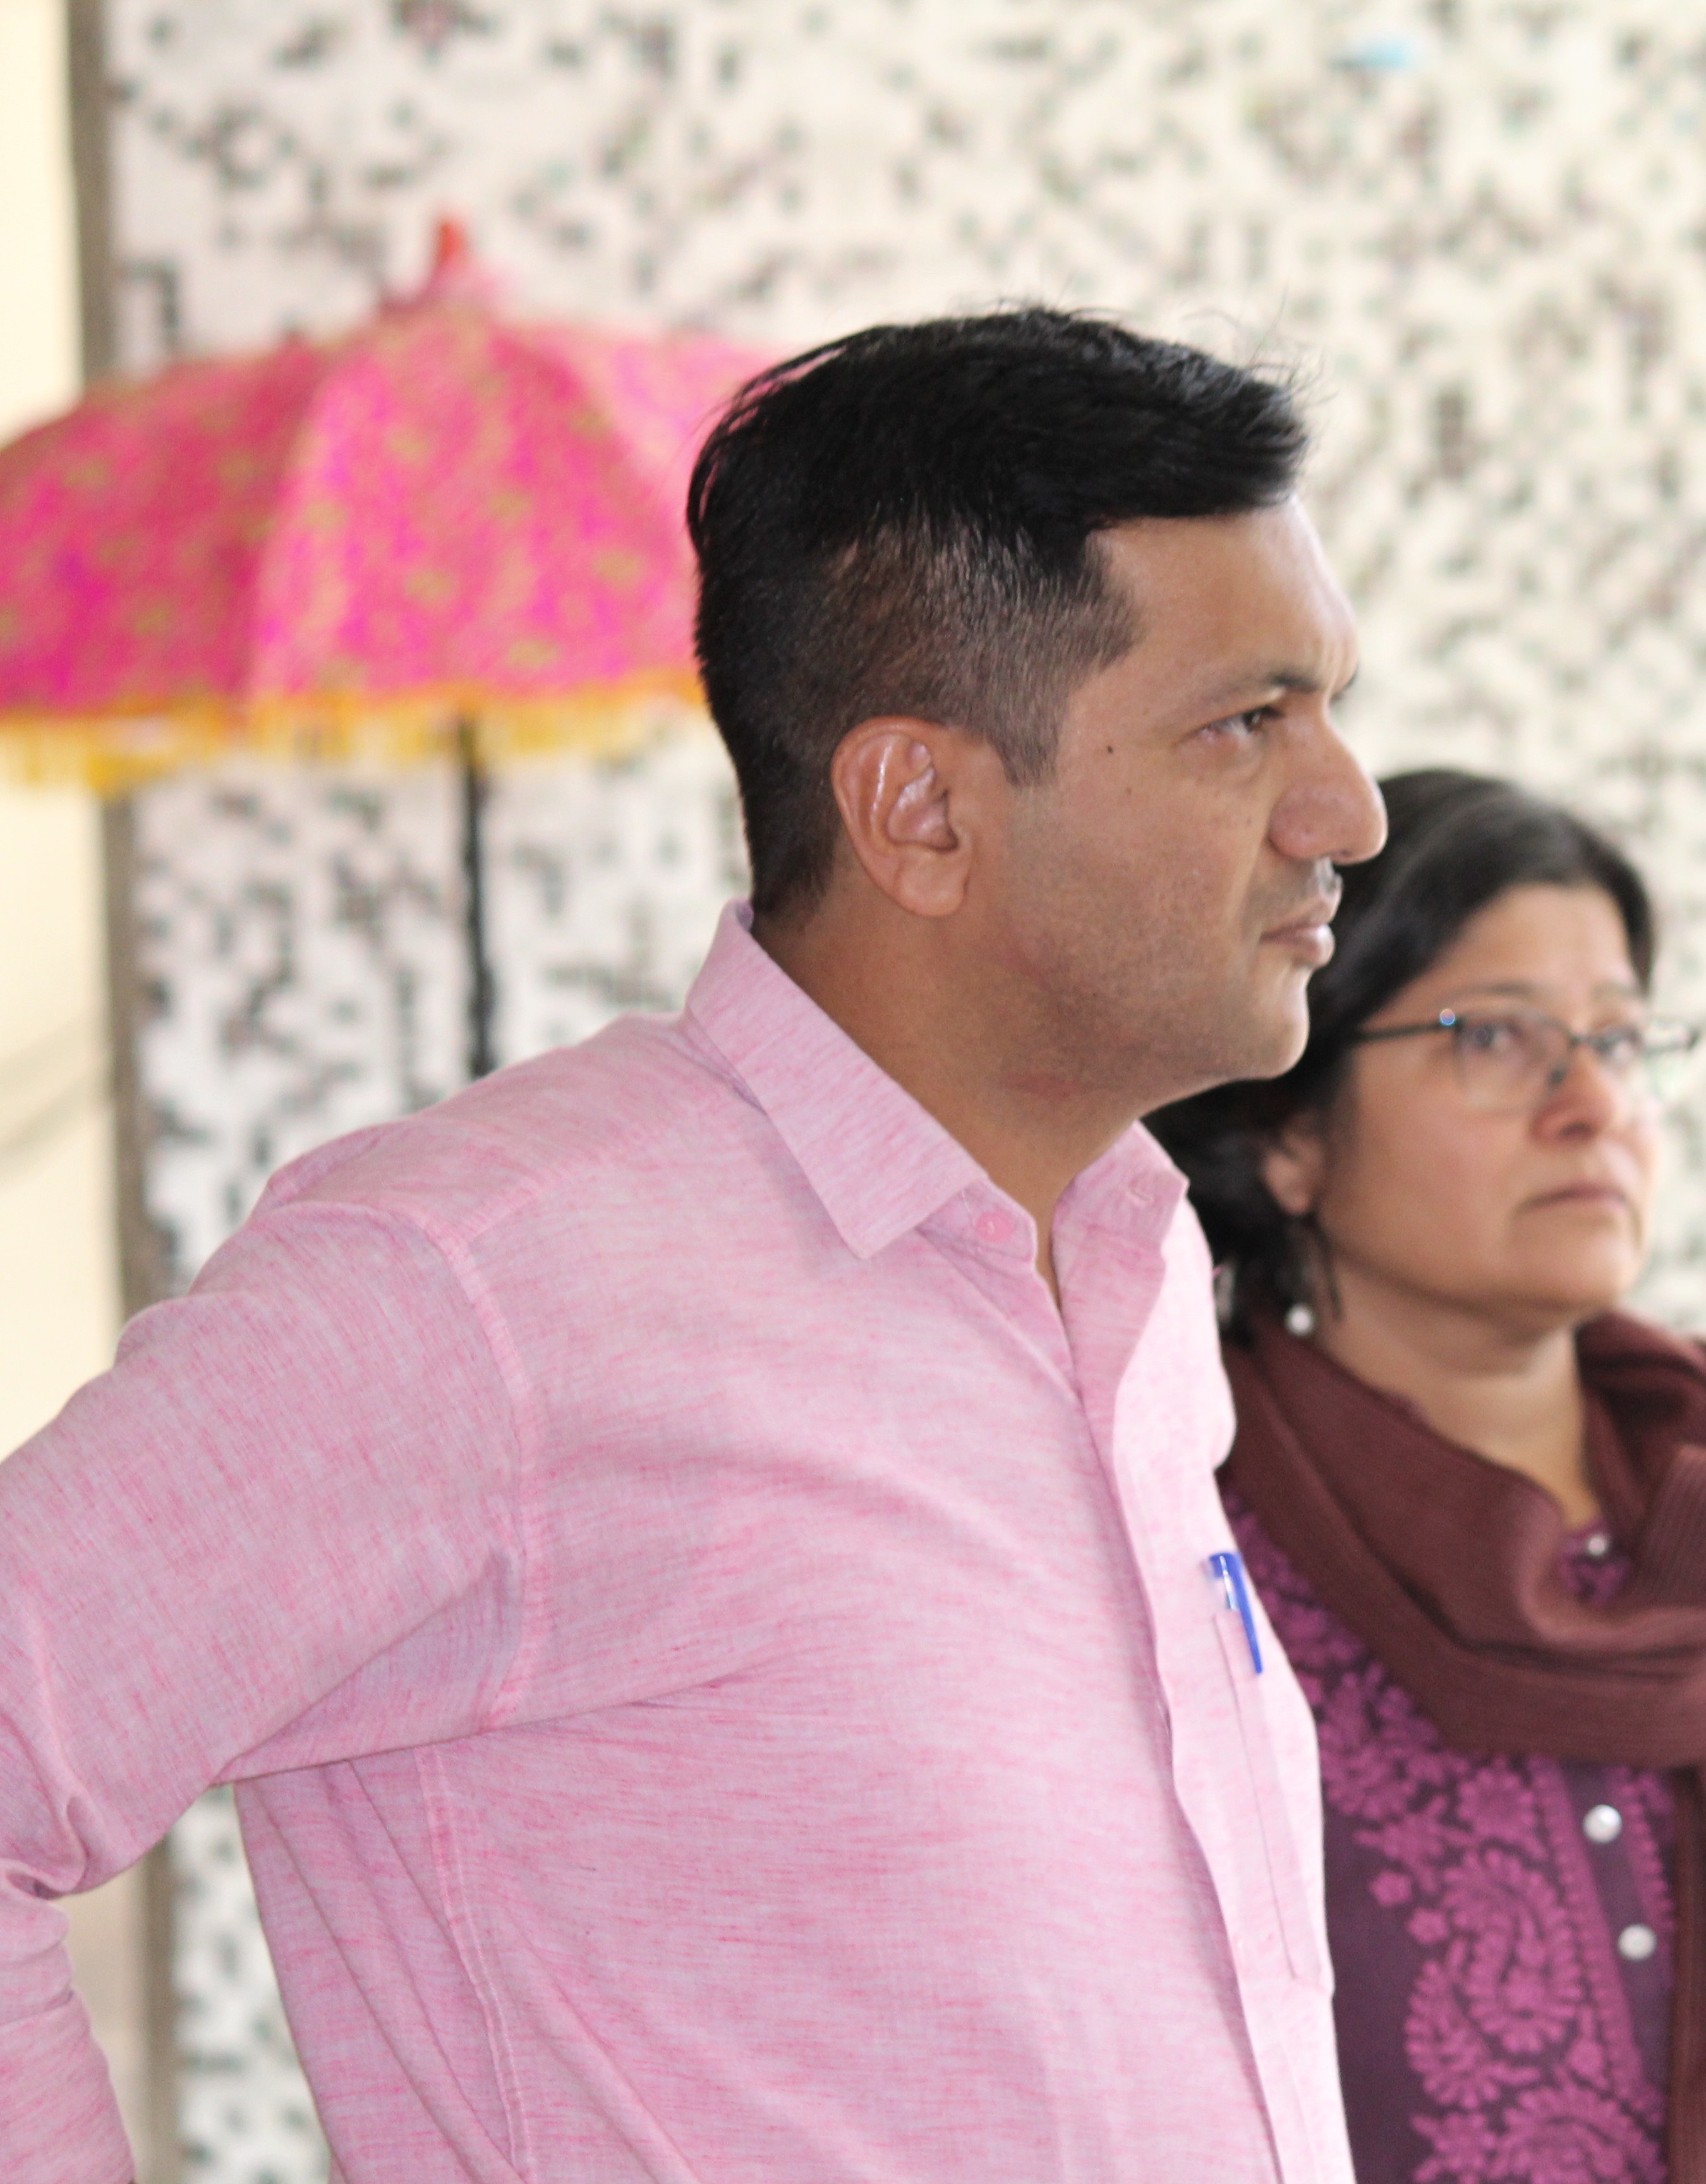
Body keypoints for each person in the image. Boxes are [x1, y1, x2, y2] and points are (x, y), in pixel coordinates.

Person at [0, 310, 1385, 2184]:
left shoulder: (1130, 1268)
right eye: (1248, 724)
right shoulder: (479, 1282)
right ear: (921, 809)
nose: (1348, 811)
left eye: (1333, 707)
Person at [1149, 770, 1706, 2184]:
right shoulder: (1196, 1583)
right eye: (1495, 1037)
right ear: (1290, 1132)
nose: (1594, 1102)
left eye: (1621, 1040)